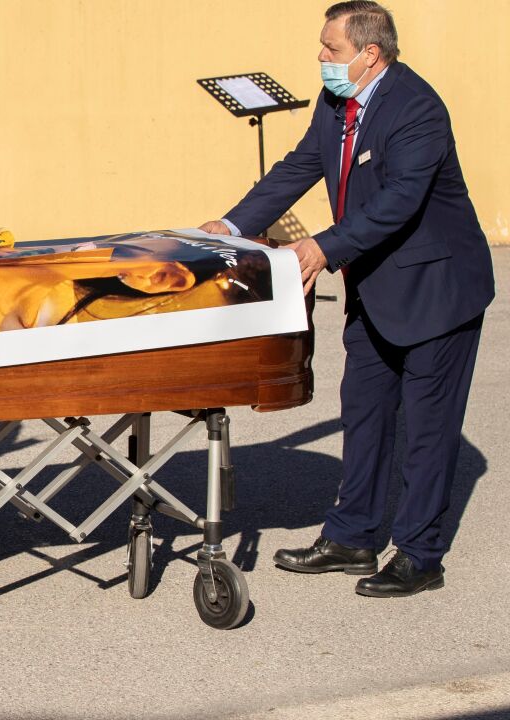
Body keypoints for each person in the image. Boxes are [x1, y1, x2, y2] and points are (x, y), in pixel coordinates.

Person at [200, 1, 494, 598]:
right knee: (363, 412)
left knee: (427, 430)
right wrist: (231, 227)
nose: (321, 57)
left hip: (437, 290)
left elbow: (399, 200)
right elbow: (299, 166)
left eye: (331, 48)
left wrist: (321, 247)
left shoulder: (417, 109)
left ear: (370, 54)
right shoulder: (338, 101)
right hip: (376, 285)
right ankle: (352, 537)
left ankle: (419, 554)